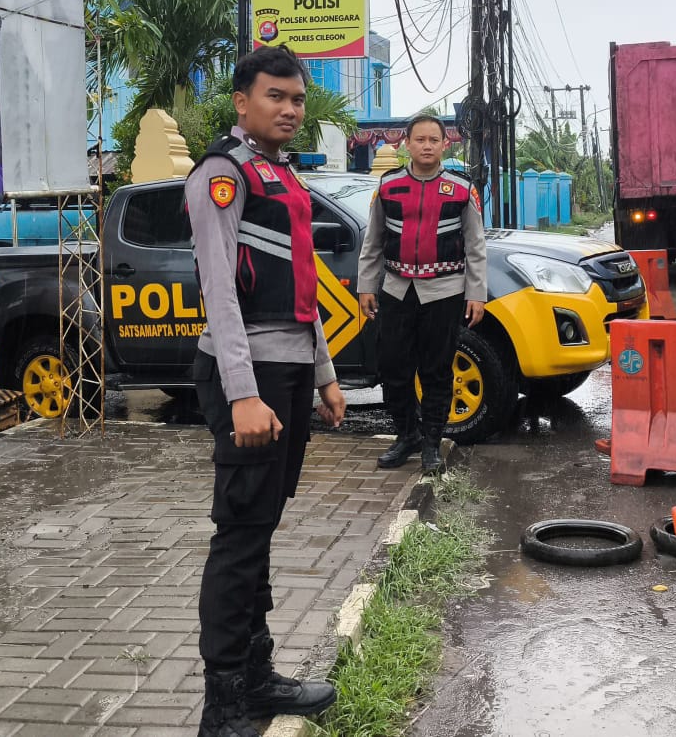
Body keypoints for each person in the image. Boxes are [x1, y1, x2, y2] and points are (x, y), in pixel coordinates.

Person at [184, 46, 347, 737]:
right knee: (240, 534)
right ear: (241, 101)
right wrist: (243, 394)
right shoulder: (221, 175)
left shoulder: (279, 173)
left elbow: (304, 287)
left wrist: (324, 373)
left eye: (297, 98)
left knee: (260, 529)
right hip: (246, 375)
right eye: (275, 96)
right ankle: (222, 704)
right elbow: (219, 291)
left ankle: (256, 677)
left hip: (287, 370)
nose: (290, 109)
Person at [356, 114, 487, 475]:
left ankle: (431, 443)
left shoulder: (462, 188)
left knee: (436, 371)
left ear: (445, 144)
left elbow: (476, 246)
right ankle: (406, 435)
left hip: (444, 292)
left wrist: (476, 293)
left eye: (433, 140)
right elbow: (373, 241)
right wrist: (366, 286)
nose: (427, 146)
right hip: (396, 290)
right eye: (420, 140)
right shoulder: (388, 185)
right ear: (407, 144)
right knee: (392, 368)